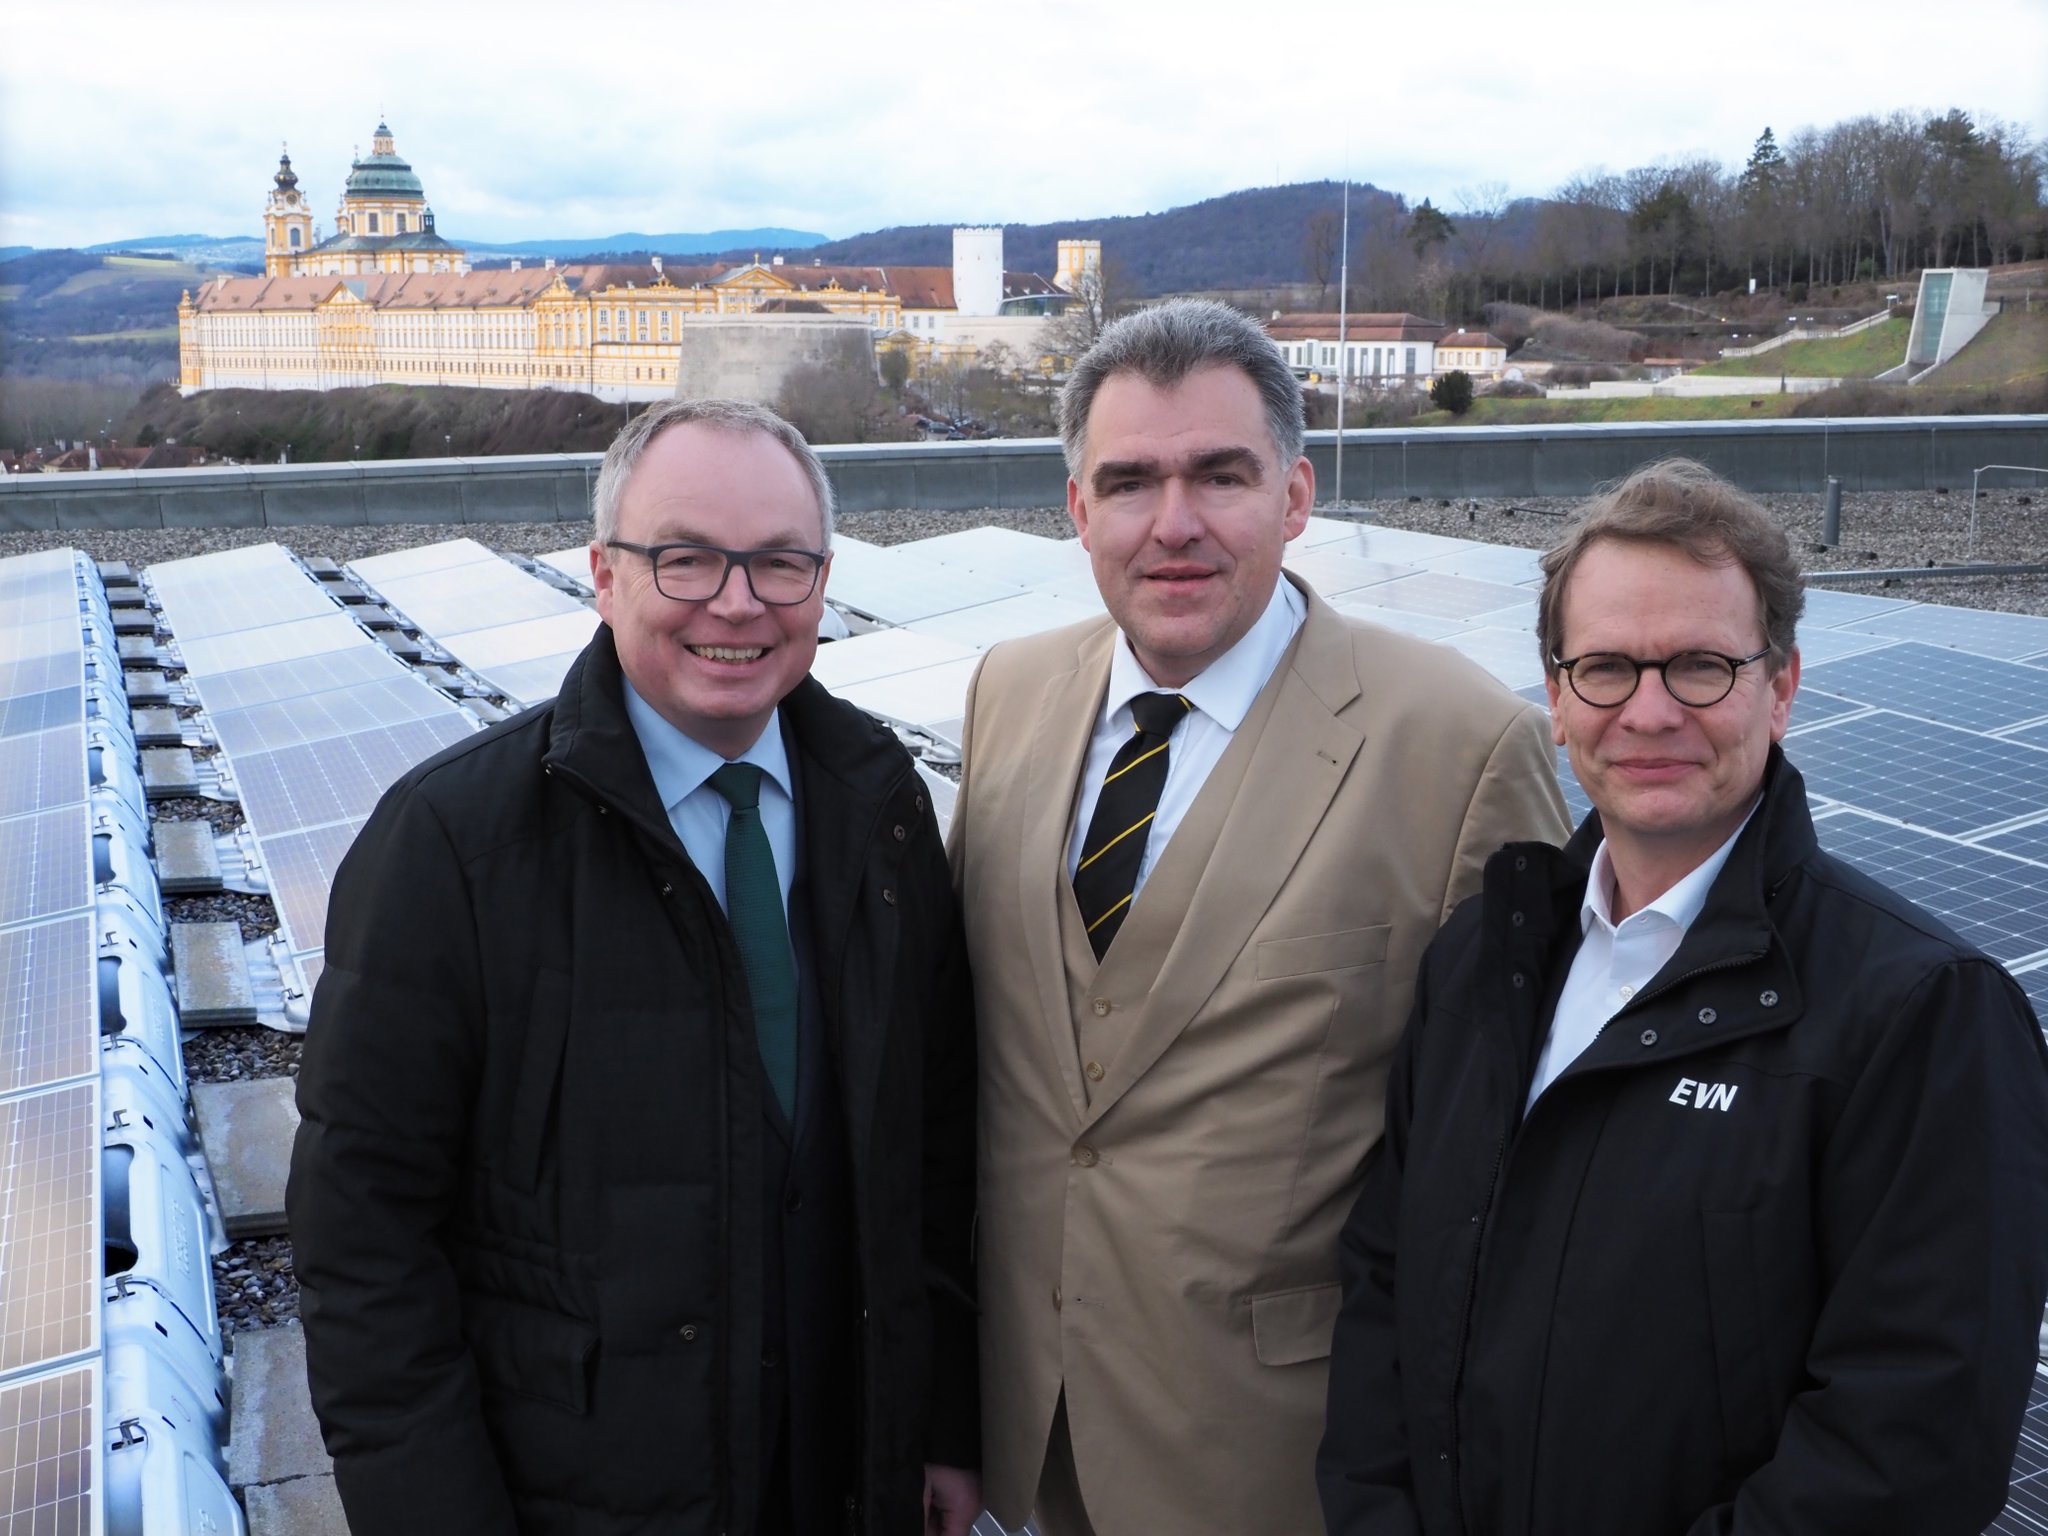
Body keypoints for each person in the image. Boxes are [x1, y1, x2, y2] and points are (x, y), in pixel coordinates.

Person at [288, 398, 980, 1536]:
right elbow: (363, 1244)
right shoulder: (453, 846)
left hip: (840, 1477)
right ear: (604, 575)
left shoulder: (880, 803)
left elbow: (932, 1149)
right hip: (580, 1499)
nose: (737, 602)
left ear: (822, 577)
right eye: (686, 559)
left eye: (779, 563)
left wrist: (943, 1421)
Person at [1318, 458, 2048, 1536]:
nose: (1648, 712)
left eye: (1700, 666)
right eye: (1604, 668)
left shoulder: (1921, 1012)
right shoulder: (1482, 958)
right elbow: (1385, 1285)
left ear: (1781, 687)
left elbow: (1905, 1447)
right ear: (1555, 698)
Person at [949, 299, 1569, 1536]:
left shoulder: (1457, 745)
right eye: (1127, 482)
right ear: (1076, 512)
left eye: (1218, 475)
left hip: (1281, 1456)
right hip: (1022, 1422)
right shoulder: (1007, 692)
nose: (1170, 524)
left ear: (1294, 495)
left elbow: (1519, 1164)